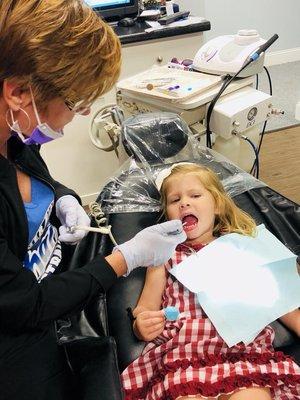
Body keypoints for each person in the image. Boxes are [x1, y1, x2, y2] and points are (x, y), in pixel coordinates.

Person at [0, 1, 186, 399]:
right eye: (73, 104)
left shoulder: (15, 136)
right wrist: (125, 258)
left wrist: (64, 199)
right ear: (17, 93)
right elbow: (26, 306)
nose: (78, 115)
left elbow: (37, 179)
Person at [121, 163, 300, 400]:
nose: (184, 202)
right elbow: (145, 308)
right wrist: (141, 324)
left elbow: (280, 301)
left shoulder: (242, 247)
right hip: (185, 356)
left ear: (217, 205)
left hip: (243, 353)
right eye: (175, 200)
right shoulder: (164, 256)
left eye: (195, 195)